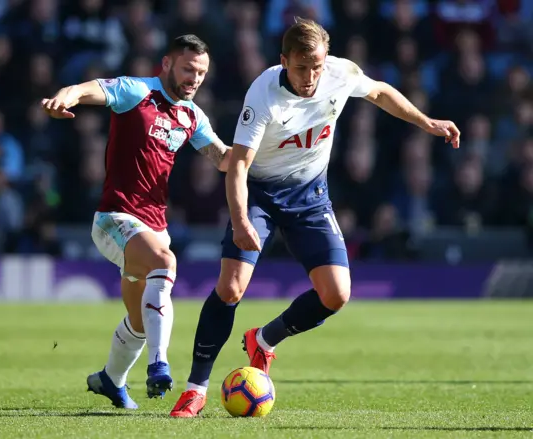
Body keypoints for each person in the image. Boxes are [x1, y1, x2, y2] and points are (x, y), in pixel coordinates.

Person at [170, 18, 460, 417]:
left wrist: (426, 122)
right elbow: (238, 166)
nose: (310, 77)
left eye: (317, 67)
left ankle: (264, 340)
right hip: (261, 195)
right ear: (284, 61)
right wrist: (240, 222)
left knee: (336, 295)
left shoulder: (339, 73)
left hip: (311, 197)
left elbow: (378, 92)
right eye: (302, 67)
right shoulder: (264, 94)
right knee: (232, 287)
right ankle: (195, 389)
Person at [41, 35, 231, 409]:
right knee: (165, 262)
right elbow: (89, 89)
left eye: (202, 73)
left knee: (141, 319)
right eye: (188, 69)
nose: (195, 79)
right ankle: (159, 365)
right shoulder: (137, 91)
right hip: (114, 218)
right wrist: (67, 95)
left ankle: (111, 380)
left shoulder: (192, 116)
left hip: (154, 226)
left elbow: (224, 159)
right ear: (166, 64)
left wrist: (267, 152)